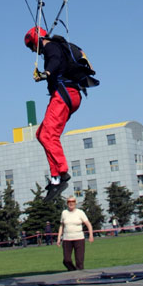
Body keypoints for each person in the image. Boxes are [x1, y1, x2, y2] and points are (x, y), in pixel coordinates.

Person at [24, 27, 83, 201]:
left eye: (31, 46)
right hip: (69, 96)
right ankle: (55, 177)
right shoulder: (54, 46)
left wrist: (46, 73)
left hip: (64, 94)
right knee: (42, 134)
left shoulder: (51, 46)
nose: (33, 50)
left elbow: (55, 60)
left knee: (48, 135)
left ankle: (62, 174)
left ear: (36, 40)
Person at [57, 196, 93, 271]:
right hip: (67, 239)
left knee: (79, 260)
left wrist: (91, 235)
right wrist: (59, 238)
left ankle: (80, 274)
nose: (71, 203)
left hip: (79, 238)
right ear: (67, 203)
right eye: (69, 202)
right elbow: (61, 226)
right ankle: (73, 271)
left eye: (73, 201)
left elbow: (88, 224)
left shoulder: (80, 212)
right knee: (66, 260)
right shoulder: (64, 213)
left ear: (75, 203)